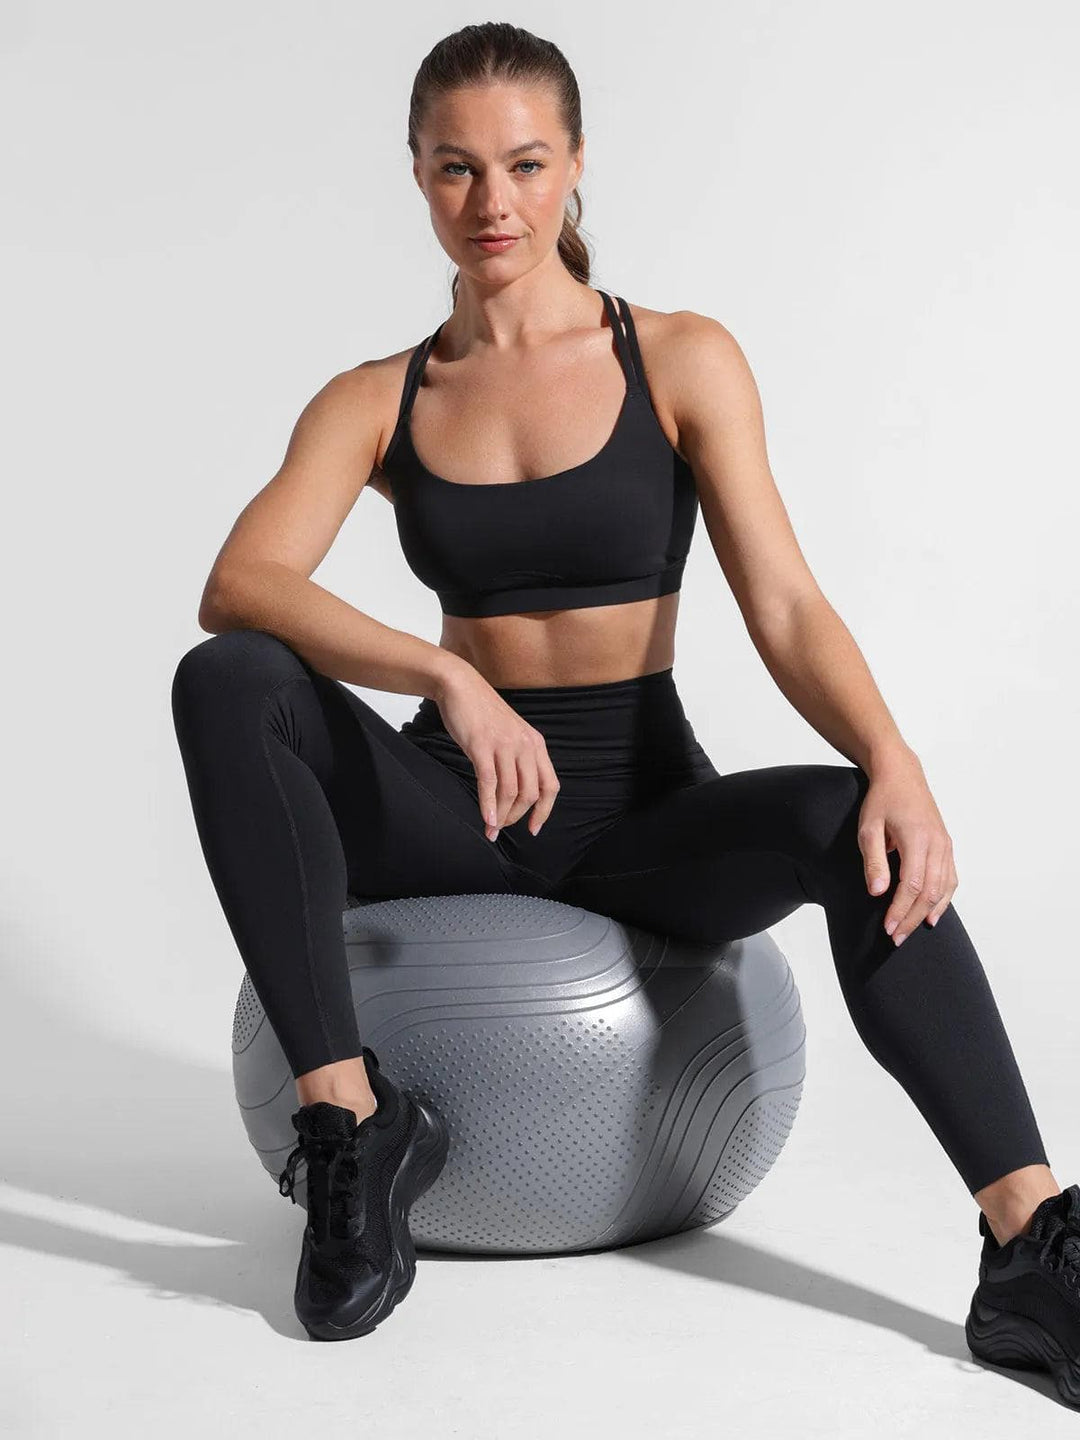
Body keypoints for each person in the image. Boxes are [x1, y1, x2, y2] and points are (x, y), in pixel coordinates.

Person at [170, 19, 1080, 1395]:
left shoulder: (682, 358)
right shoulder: (382, 398)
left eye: (526, 165)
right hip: (459, 813)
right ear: (416, 174)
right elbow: (239, 583)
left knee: (855, 820)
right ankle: (354, 1128)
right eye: (458, 169)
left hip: (640, 820)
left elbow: (783, 605)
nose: (494, 204)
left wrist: (893, 754)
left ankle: (1030, 1249)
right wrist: (448, 676)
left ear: (576, 164)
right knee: (228, 681)